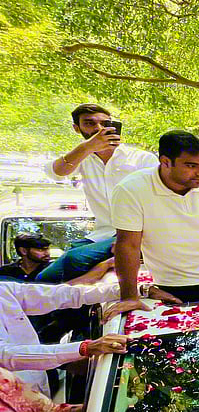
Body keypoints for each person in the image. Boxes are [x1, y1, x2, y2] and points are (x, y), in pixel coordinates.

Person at [108, 130, 199, 312]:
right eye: (191, 165)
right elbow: (128, 245)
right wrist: (130, 297)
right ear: (166, 162)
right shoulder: (131, 189)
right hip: (162, 288)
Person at [39, 103, 158, 283]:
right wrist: (87, 147)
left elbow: (157, 200)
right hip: (102, 235)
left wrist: (133, 239)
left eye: (104, 123)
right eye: (90, 123)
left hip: (136, 232)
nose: (98, 128)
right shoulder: (81, 159)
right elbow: (56, 172)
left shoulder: (141, 159)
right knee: (45, 277)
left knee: (72, 260)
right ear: (76, 128)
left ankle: (107, 265)